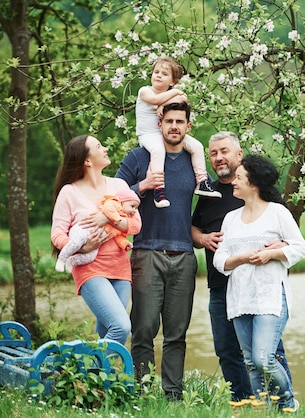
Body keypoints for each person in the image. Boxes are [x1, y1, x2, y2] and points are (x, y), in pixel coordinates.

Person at [191, 132, 292, 401]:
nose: (218, 157)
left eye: (224, 151)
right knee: (229, 352)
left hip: (260, 288)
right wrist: (201, 238)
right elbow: (195, 227)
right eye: (213, 153)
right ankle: (246, 404)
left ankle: (284, 404)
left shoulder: (262, 195)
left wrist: (275, 250)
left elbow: (288, 238)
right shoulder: (208, 193)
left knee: (268, 353)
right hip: (220, 285)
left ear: (239, 155)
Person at [116, 101, 198, 401]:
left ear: (188, 126)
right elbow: (112, 194)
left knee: (177, 334)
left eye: (181, 121)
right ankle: (144, 393)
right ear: (160, 123)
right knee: (143, 329)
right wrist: (144, 186)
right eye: (169, 121)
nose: (174, 126)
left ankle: (173, 396)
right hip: (146, 252)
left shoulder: (194, 162)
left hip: (185, 256)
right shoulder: (140, 157)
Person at [213, 154, 305, 411]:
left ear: (253, 184)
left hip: (270, 297)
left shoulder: (277, 213)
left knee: (264, 359)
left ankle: (288, 403)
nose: (233, 181)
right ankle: (263, 412)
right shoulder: (231, 218)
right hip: (240, 298)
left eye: (239, 178)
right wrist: (242, 258)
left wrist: (271, 253)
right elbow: (219, 260)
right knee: (251, 363)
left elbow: (300, 248)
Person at [51, 134, 142, 345]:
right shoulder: (69, 192)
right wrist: (81, 248)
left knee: (107, 333)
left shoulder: (118, 185)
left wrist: (109, 218)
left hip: (120, 268)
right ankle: (89, 374)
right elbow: (57, 234)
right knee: (121, 327)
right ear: (87, 161)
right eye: (99, 146)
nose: (106, 148)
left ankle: (94, 376)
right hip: (90, 269)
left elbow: (136, 224)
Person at [136, 56, 220, 207]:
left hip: (166, 133)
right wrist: (174, 95)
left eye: (164, 73)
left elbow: (184, 99)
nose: (159, 75)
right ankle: (159, 190)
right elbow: (155, 100)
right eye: (156, 72)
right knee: (158, 150)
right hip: (148, 134)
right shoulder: (144, 91)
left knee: (197, 146)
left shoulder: (173, 93)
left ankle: (202, 182)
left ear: (172, 82)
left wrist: (169, 101)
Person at [55, 188, 140, 273]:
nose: (134, 211)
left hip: (96, 241)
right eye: (132, 206)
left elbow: (118, 237)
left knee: (90, 257)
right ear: (122, 202)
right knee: (76, 242)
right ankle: (61, 259)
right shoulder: (115, 203)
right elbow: (107, 209)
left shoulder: (122, 219)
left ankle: (71, 261)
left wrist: (125, 244)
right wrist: (115, 220)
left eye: (136, 208)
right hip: (84, 230)